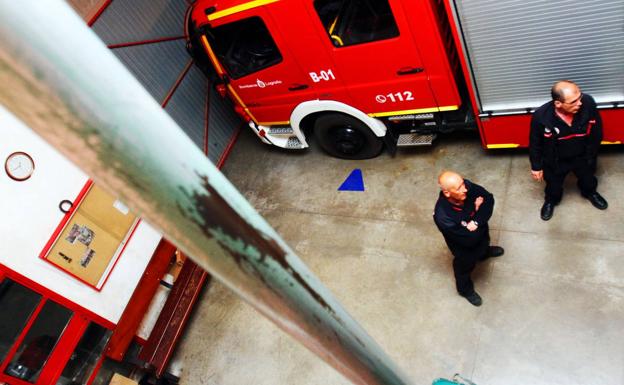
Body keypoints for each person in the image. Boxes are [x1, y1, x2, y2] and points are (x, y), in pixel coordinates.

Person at [529, 80, 607, 221]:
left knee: (588, 179)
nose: (580, 103)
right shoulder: (541, 117)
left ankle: (590, 193)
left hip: (583, 156)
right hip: (557, 160)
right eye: (573, 102)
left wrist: (591, 154)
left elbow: (597, 131)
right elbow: (535, 143)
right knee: (553, 185)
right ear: (558, 103)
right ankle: (551, 201)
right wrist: (536, 166)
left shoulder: (588, 103)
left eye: (580, 97)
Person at [433, 171, 504, 306]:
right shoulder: (443, 216)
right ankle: (465, 290)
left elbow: (489, 198)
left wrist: (476, 222)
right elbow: (469, 240)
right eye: (459, 188)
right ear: (447, 193)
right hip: (464, 250)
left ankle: (484, 253)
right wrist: (478, 211)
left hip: (480, 236)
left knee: (483, 244)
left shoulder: (465, 186)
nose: (465, 188)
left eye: (463, 184)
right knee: (463, 268)